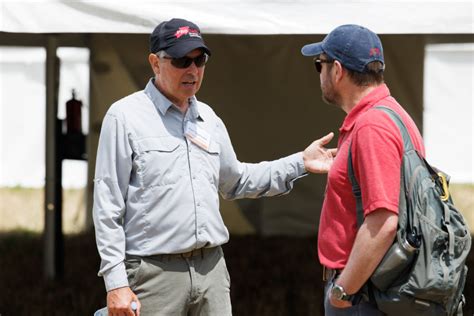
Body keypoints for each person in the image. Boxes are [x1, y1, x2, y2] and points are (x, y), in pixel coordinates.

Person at [93, 18, 337, 316]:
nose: (192, 70)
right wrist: (116, 283)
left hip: (212, 271)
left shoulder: (208, 118)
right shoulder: (124, 117)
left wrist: (300, 162)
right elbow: (107, 207)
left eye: (200, 60)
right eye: (182, 60)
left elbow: (236, 181)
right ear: (155, 63)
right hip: (152, 274)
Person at [301, 24, 426, 315]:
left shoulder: (371, 126)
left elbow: (383, 220)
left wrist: (344, 289)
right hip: (377, 288)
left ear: (338, 71)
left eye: (320, 64)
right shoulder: (393, 114)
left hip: (365, 295)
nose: (319, 73)